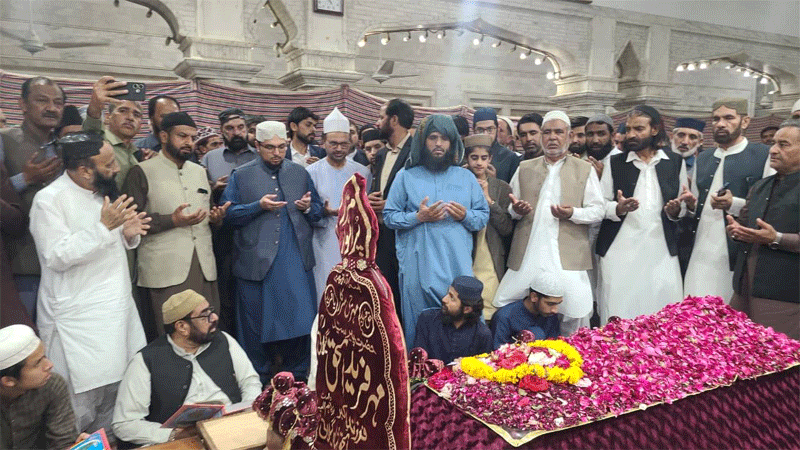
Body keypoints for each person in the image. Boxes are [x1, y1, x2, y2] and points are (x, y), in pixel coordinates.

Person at [29, 132, 148, 438]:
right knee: (78, 414)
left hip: (116, 313)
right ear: (84, 170)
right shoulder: (49, 200)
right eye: (108, 164)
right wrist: (104, 227)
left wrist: (127, 235)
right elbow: (56, 256)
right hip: (78, 324)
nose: (117, 169)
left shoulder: (101, 194)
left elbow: (108, 246)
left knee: (118, 403)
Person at [221, 121, 323, 382]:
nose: (277, 153)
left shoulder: (300, 173)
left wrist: (307, 208)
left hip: (295, 260)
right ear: (257, 146)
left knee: (300, 324)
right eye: (269, 148)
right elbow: (228, 215)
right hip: (256, 264)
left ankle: (298, 381)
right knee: (256, 327)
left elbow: (318, 211)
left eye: (281, 147)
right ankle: (259, 383)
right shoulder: (241, 175)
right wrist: (257, 206)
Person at [495, 111, 603, 336]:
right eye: (547, 132)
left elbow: (598, 210)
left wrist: (572, 213)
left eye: (558, 132)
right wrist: (516, 210)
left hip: (568, 254)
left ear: (570, 135)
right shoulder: (525, 167)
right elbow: (511, 207)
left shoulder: (584, 169)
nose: (552, 137)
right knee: (512, 303)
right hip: (529, 251)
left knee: (574, 312)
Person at [384, 114, 489, 344]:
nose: (438, 144)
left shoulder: (466, 178)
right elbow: (389, 217)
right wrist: (418, 217)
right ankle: (419, 376)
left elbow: (482, 217)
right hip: (419, 266)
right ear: (423, 141)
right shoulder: (406, 176)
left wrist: (466, 215)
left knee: (462, 324)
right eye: (432, 137)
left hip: (456, 265)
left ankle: (464, 377)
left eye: (444, 138)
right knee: (421, 327)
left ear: (453, 143)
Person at [123, 112, 229, 333]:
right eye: (182, 136)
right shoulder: (141, 171)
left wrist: (216, 219)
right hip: (165, 270)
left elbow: (208, 216)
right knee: (173, 333)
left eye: (192, 137)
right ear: (163, 136)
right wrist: (172, 220)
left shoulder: (200, 172)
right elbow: (129, 221)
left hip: (203, 267)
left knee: (205, 329)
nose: (188, 143)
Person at [112, 290, 261, 446]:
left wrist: (246, 414)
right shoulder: (145, 361)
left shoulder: (224, 340)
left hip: (230, 429)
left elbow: (250, 382)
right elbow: (124, 423)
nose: (214, 318)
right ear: (182, 327)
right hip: (182, 441)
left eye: (212, 311)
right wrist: (174, 434)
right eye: (205, 316)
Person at [596, 105, 693, 323]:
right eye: (628, 129)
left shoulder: (674, 162)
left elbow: (682, 203)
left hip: (661, 250)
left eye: (638, 129)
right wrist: (618, 208)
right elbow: (600, 205)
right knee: (619, 313)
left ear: (655, 129)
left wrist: (676, 211)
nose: (631, 135)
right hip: (621, 250)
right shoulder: (615, 163)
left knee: (663, 313)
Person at [683, 99, 772, 302]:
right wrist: (690, 205)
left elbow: (769, 203)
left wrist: (735, 204)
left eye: (728, 118)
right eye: (716, 119)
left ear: (745, 121)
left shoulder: (762, 155)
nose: (720, 124)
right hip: (700, 250)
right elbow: (698, 205)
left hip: (738, 252)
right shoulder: (704, 158)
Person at [727, 119, 799, 339]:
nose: (773, 150)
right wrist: (737, 232)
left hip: (784, 294)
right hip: (744, 287)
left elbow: (770, 236)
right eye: (773, 143)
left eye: (783, 144)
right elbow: (746, 225)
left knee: (780, 363)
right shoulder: (760, 186)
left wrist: (776, 238)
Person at [1, 77, 65, 322]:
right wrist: (25, 179)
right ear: (22, 104)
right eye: (42, 100)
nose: (51, 108)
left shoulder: (62, 148)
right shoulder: (4, 139)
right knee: (22, 341)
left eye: (58, 102)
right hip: (21, 263)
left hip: (61, 263)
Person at [306, 108, 371, 299]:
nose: (339, 148)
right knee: (327, 292)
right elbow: (308, 211)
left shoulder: (362, 172)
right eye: (333, 143)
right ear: (323, 143)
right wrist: (323, 212)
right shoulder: (311, 171)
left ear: (351, 144)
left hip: (356, 244)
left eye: (344, 144)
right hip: (323, 242)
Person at [1, 324, 83, 450]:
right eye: (37, 363)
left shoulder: (52, 386)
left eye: (44, 356)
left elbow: (62, 442)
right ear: (8, 381)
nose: (49, 365)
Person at [370, 98, 415, 323]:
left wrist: (391, 205)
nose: (378, 123)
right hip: (382, 236)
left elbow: (422, 193)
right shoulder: (381, 154)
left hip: (406, 234)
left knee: (404, 295)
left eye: (381, 117)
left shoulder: (416, 153)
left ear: (394, 120)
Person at [463, 134, 512, 320]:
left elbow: (506, 228)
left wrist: (489, 200)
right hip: (466, 251)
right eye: (474, 158)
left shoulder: (501, 187)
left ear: (490, 159)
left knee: (490, 309)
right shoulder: (459, 183)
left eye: (484, 158)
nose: (479, 163)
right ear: (467, 158)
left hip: (490, 253)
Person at [412, 276, 492, 364]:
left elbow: (482, 370)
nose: (444, 299)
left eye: (452, 298)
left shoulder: (482, 334)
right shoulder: (427, 320)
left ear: (467, 309)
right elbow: (418, 363)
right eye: (448, 293)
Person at [82, 76, 144, 188]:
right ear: (107, 117)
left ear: (141, 124)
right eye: (123, 111)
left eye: (136, 115)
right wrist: (96, 103)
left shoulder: (136, 153)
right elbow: (91, 128)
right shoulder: (99, 140)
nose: (130, 117)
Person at [490, 274, 562, 349]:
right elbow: (497, 352)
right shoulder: (505, 317)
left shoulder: (550, 315)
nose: (555, 310)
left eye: (558, 304)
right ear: (534, 297)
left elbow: (554, 345)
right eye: (550, 304)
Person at [201, 108, 259, 194]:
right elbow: (200, 193)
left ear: (246, 128)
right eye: (230, 128)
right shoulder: (209, 158)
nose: (236, 133)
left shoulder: (259, 156)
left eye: (240, 127)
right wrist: (214, 189)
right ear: (221, 131)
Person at [472, 107, 520, 183]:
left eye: (490, 129)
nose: (485, 134)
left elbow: (512, 191)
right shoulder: (465, 155)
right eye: (480, 130)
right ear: (474, 130)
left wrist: (494, 182)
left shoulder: (510, 158)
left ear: (497, 129)